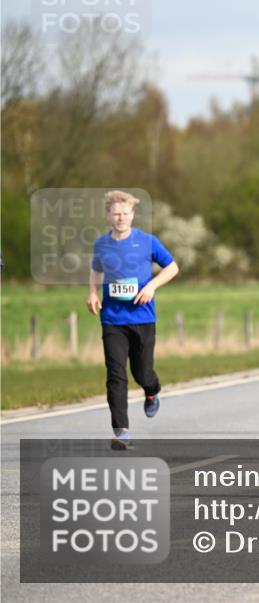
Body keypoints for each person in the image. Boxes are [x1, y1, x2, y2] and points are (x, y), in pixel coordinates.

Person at [87, 190, 179, 450]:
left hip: (143, 317)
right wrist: (92, 292)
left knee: (142, 372)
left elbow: (172, 267)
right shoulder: (101, 244)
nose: (121, 218)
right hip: (112, 319)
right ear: (108, 215)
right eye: (116, 214)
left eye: (125, 213)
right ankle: (121, 432)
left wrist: (151, 286)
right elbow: (96, 269)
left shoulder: (147, 241)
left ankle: (152, 390)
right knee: (116, 374)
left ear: (132, 215)